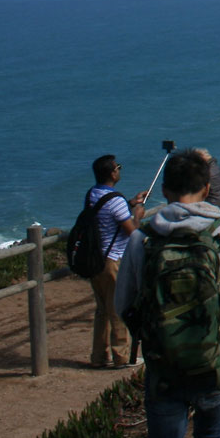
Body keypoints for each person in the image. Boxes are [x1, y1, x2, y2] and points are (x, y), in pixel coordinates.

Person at [114, 148, 220, 438]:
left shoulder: (142, 240)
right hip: (215, 360)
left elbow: (122, 304)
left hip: (163, 363)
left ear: (164, 191)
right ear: (207, 189)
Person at [83, 154, 147, 368]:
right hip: (112, 261)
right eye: (118, 167)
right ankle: (121, 356)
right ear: (112, 173)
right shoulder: (115, 200)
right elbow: (132, 232)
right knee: (118, 308)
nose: (119, 169)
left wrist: (130, 203)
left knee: (102, 310)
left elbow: (107, 213)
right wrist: (137, 214)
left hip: (95, 260)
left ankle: (99, 356)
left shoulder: (93, 194)